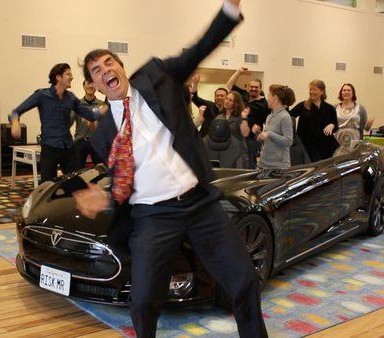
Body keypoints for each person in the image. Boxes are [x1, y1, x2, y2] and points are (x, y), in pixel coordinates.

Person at [73, 1, 268, 337]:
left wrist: (228, 10)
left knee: (243, 279)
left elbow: (199, 48)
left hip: (199, 204)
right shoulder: (104, 134)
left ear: (121, 67)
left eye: (109, 62)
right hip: (153, 215)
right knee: (144, 301)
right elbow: (121, 184)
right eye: (96, 70)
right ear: (97, 85)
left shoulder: (157, 77)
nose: (105, 69)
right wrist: (103, 199)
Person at [9, 63, 105, 182]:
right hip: (49, 147)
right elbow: (16, 112)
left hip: (68, 147)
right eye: (68, 74)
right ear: (58, 77)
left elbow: (90, 115)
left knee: (75, 183)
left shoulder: (71, 98)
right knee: (47, 185)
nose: (71, 77)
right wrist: (15, 122)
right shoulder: (41, 95)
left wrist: (103, 109)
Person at [227, 66, 270, 168]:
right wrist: (239, 71)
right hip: (237, 136)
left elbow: (268, 122)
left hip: (252, 139)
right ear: (248, 87)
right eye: (252, 86)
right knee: (234, 161)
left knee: (250, 164)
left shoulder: (265, 104)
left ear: (260, 89)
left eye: (256, 87)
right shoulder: (243, 95)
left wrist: (261, 133)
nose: (254, 89)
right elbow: (230, 85)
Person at [289, 79, 339, 162]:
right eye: (310, 89)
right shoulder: (303, 106)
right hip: (307, 147)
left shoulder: (329, 108)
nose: (311, 92)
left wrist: (332, 125)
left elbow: (335, 126)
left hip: (325, 147)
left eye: (314, 89)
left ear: (322, 91)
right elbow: (288, 116)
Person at [257, 85, 295, 170]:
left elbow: (289, 141)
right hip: (264, 164)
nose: (267, 99)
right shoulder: (269, 116)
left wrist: (269, 134)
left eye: (269, 96)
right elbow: (268, 140)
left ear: (275, 98)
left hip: (279, 166)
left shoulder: (285, 117)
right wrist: (259, 133)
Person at [71, 80, 105, 168]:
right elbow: (69, 121)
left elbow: (105, 125)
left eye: (92, 83)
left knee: (100, 170)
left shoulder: (102, 105)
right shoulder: (76, 104)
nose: (90, 86)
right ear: (83, 86)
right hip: (80, 141)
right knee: (77, 170)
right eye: (87, 83)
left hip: (97, 142)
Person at [333, 83, 373, 155]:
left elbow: (365, 128)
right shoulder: (335, 107)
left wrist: (368, 125)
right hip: (337, 143)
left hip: (354, 143)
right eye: (344, 90)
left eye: (349, 90)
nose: (346, 92)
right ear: (341, 93)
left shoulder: (360, 108)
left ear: (353, 93)